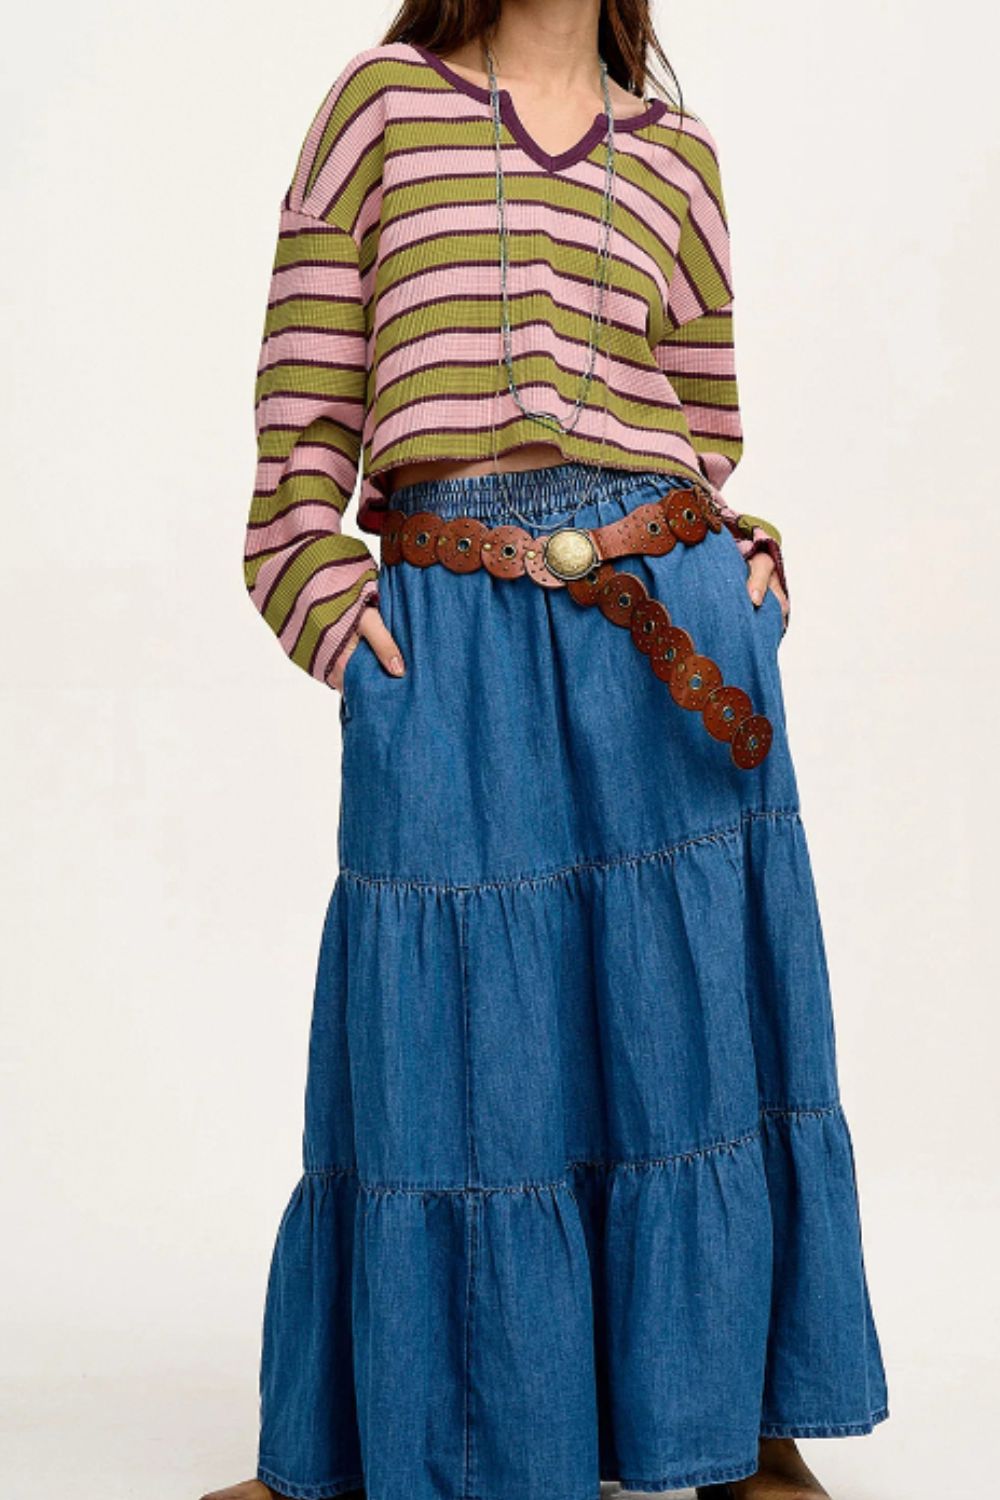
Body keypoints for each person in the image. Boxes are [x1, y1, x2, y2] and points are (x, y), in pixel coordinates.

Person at [203, 4, 888, 1498]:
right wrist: (323, 600)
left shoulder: (679, 154)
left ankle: (732, 1424)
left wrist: (744, 569)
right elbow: (300, 426)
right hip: (452, 631)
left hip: (664, 638)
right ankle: (408, 1438)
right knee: (451, 1046)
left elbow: (702, 430)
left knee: (687, 1027)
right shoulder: (380, 110)